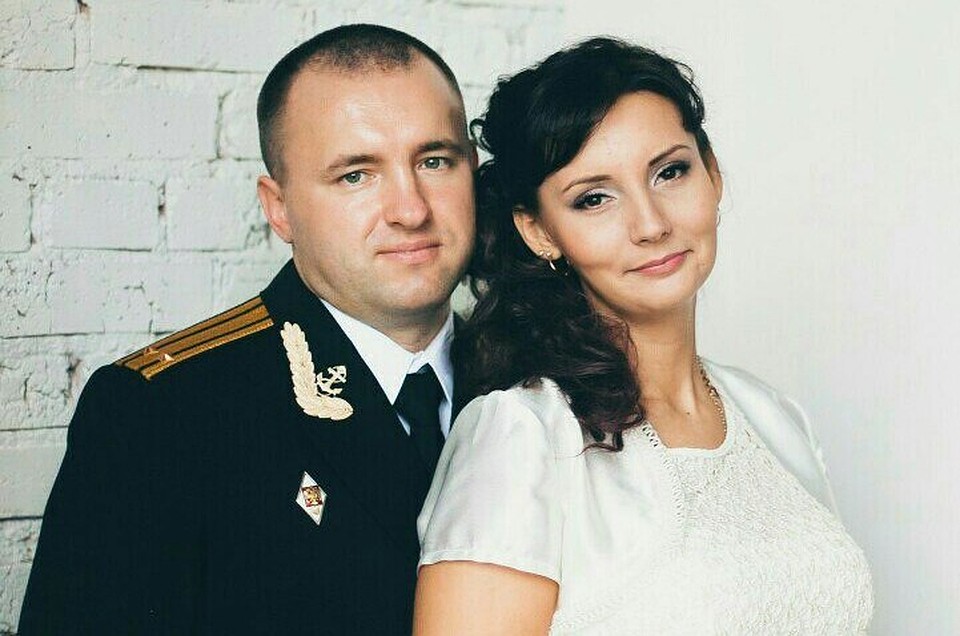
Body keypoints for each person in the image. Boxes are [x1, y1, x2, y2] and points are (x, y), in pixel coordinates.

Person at [19, 24, 475, 635]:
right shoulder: (165, 413)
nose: (411, 210)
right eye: (355, 175)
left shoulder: (536, 377)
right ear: (278, 209)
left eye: (435, 161)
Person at [414, 37, 873, 634]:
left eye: (670, 172)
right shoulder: (522, 434)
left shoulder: (775, 416)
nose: (651, 224)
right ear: (538, 231)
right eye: (594, 199)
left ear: (713, 174)